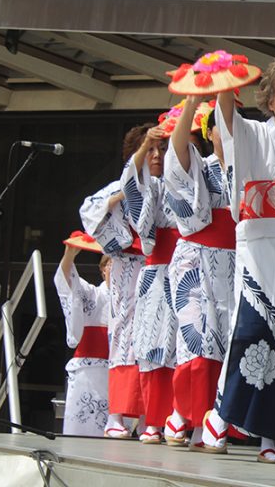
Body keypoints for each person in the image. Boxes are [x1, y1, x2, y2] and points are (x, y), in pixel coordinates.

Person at [195, 54, 275, 462]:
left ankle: (273, 437)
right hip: (260, 247)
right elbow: (226, 119)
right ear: (268, 98)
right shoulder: (254, 134)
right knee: (248, 332)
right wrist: (225, 84)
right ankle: (219, 416)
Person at [163, 98, 237, 449]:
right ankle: (183, 412)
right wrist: (192, 101)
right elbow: (177, 161)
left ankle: (217, 417)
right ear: (209, 133)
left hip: (239, 260)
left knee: (231, 339)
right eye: (221, 125)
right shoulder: (200, 167)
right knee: (198, 336)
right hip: (198, 259)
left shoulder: (249, 164)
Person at [80, 125, 150, 437]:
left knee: (158, 339)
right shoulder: (119, 186)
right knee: (125, 335)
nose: (154, 156)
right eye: (148, 150)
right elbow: (89, 210)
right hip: (126, 265)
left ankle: (152, 417)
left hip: (158, 265)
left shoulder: (167, 183)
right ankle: (116, 416)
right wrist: (123, 193)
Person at [122, 124, 178, 444]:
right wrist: (145, 144)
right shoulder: (143, 185)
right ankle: (154, 421)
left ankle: (183, 419)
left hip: (188, 270)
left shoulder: (183, 182)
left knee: (186, 347)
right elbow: (131, 182)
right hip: (157, 273)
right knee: (155, 346)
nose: (157, 156)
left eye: (163, 149)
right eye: (151, 151)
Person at [54, 242, 111, 436]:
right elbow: (67, 281)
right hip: (89, 374)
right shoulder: (92, 295)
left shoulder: (134, 300)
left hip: (120, 374)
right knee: (81, 433)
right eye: (110, 264)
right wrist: (69, 255)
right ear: (103, 269)